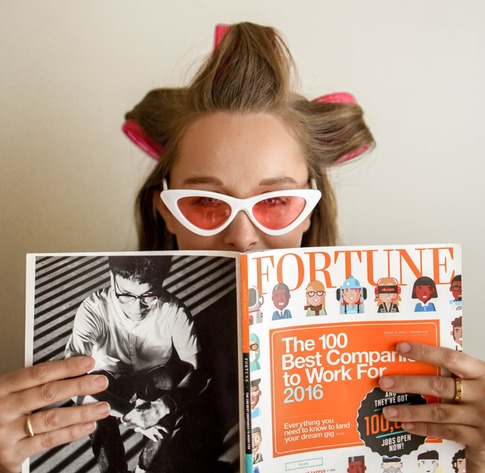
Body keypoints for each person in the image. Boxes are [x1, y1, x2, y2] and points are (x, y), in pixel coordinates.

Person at [1, 21, 485, 473]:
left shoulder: (408, 346)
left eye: (275, 201)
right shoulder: (131, 317)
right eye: (206, 202)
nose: (243, 235)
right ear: (166, 209)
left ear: (309, 209)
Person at [64, 255, 208, 472]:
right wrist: (129, 412)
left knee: (168, 385)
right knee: (94, 395)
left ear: (161, 282)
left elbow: (196, 371)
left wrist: (161, 407)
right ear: (112, 277)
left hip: (152, 381)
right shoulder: (93, 309)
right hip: (110, 382)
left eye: (148, 295)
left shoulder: (174, 310)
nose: (136, 307)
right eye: (125, 295)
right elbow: (71, 381)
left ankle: (146, 468)